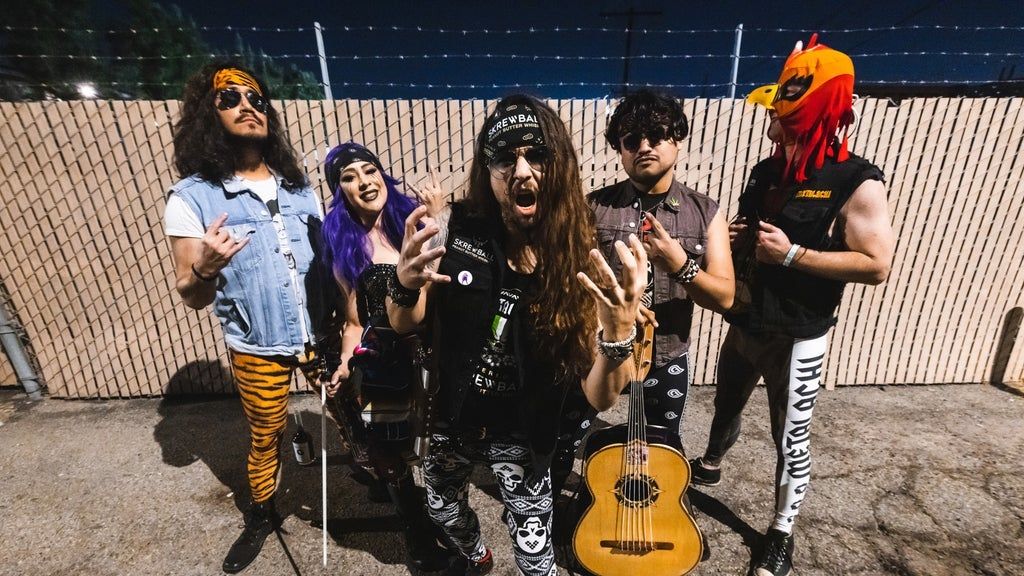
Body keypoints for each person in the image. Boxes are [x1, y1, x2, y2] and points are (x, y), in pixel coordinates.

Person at [386, 94, 647, 576]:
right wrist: (403, 283)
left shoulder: (581, 255)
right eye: (506, 158)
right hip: (453, 419)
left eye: (537, 155)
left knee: (535, 555)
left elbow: (601, 397)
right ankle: (476, 557)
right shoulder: (458, 230)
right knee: (441, 510)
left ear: (560, 165)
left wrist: (617, 334)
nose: (522, 171)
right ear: (487, 171)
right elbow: (405, 320)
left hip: (523, 432)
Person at [689, 35, 895, 576]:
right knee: (726, 404)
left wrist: (794, 254)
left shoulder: (857, 181)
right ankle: (711, 462)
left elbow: (876, 265)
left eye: (780, 109)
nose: (769, 118)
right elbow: (751, 233)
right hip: (746, 321)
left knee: (791, 438)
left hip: (799, 335)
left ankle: (781, 532)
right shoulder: (766, 171)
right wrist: (735, 239)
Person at [163, 62, 339, 574]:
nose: (247, 106)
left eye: (256, 99)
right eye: (230, 98)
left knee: (352, 413)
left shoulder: (299, 188)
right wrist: (206, 267)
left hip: (320, 334)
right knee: (266, 434)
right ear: (208, 112)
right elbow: (192, 295)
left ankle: (388, 485)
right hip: (257, 344)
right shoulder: (192, 196)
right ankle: (261, 513)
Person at [562, 89, 734, 474]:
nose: (644, 147)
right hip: (599, 350)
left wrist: (680, 264)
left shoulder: (705, 213)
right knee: (565, 441)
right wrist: (609, 313)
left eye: (656, 135)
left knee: (658, 456)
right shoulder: (594, 207)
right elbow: (568, 282)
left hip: (666, 358)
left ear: (677, 139)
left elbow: (725, 296)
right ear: (620, 150)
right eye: (631, 140)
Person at [320, 141, 451, 571]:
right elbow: (353, 319)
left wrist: (436, 219)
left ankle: (443, 515)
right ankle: (417, 538)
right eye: (349, 177)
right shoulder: (345, 245)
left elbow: (442, 278)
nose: (364, 182)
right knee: (392, 457)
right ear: (340, 192)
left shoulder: (409, 220)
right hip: (383, 363)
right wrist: (346, 360)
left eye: (369, 170)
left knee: (435, 445)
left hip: (428, 352)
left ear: (382, 175)